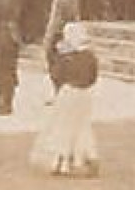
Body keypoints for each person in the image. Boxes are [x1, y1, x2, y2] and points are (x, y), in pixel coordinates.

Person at [30, 22, 99, 178]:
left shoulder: (66, 57)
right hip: (85, 94)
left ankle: (60, 161)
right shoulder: (90, 56)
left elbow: (57, 76)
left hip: (68, 93)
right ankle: (85, 157)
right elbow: (93, 77)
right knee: (82, 126)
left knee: (62, 126)